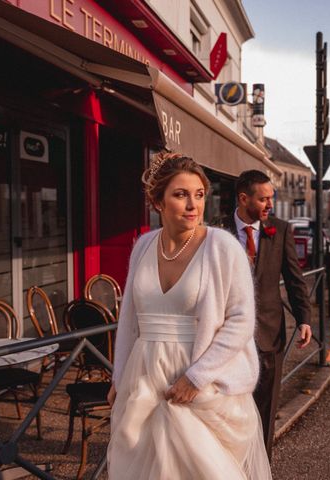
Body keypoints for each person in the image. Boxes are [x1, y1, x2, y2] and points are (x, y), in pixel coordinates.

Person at [107, 152, 271, 479]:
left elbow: (240, 321)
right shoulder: (143, 246)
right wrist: (119, 376)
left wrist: (195, 378)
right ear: (158, 202)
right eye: (181, 195)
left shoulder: (223, 247)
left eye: (198, 195)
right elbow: (129, 320)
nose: (193, 205)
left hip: (196, 377)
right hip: (144, 375)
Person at [221, 169, 312, 457]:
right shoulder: (217, 231)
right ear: (243, 198)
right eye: (263, 199)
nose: (270, 205)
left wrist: (304, 318)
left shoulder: (281, 229)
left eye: (271, 198)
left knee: (265, 410)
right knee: (227, 409)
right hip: (226, 338)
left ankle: (261, 468)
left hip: (269, 335)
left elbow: (295, 277)